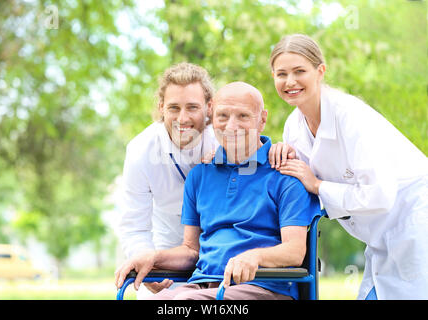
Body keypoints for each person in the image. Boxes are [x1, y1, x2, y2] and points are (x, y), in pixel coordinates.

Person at [114, 81, 321, 300]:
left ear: (262, 119)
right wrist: (153, 257)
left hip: (262, 288)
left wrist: (254, 257)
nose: (231, 127)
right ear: (212, 117)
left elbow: (295, 251)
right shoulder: (199, 176)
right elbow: (191, 251)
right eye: (223, 116)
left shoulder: (286, 174)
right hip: (202, 286)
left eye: (243, 116)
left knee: (184, 302)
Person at [268, 34, 428, 299]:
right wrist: (280, 152)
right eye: (281, 74)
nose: (290, 82)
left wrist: (318, 185)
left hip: (414, 222)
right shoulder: (292, 127)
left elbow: (379, 194)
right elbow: (299, 185)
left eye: (300, 71)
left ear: (320, 71)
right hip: (380, 238)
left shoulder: (349, 116)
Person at [115, 62, 218, 297]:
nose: (183, 118)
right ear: (161, 107)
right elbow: (134, 225)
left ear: (209, 107)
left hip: (219, 252)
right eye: (174, 108)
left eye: (192, 107)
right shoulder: (141, 149)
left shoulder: (223, 141)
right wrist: (146, 261)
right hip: (166, 255)